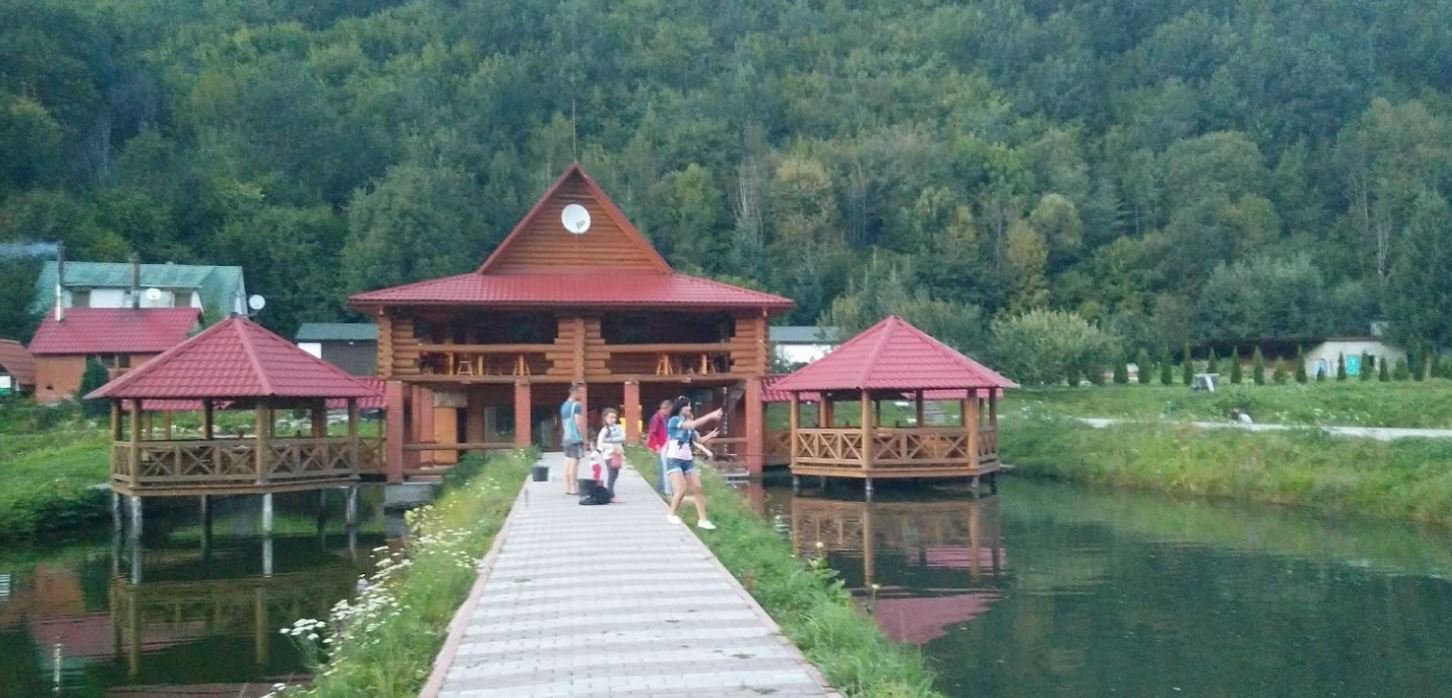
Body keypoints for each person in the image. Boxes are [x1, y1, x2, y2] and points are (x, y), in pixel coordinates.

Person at [663, 396, 722, 529]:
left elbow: (699, 440)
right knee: (681, 490)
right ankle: (671, 514)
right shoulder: (675, 420)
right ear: (681, 407)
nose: (690, 408)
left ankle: (703, 520)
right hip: (674, 460)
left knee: (698, 488)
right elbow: (692, 424)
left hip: (688, 461)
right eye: (688, 406)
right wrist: (710, 415)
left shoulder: (689, 426)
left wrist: (711, 435)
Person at [560, 383, 586, 495]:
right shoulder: (577, 406)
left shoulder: (564, 405)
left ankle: (567, 487)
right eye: (580, 392)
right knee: (575, 462)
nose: (582, 395)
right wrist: (583, 437)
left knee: (567, 460)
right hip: (575, 437)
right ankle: (573, 488)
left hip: (566, 436)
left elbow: (563, 422)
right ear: (574, 392)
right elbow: (578, 423)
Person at [596, 407, 626, 500]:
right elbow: (600, 443)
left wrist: (609, 440)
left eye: (614, 417)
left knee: (615, 474)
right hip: (609, 455)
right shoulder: (604, 430)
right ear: (605, 418)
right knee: (612, 474)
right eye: (610, 417)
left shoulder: (619, 427)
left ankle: (610, 493)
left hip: (618, 454)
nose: (612, 419)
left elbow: (623, 438)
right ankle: (610, 494)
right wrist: (613, 446)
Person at [645, 399, 672, 495]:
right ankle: (661, 489)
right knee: (662, 467)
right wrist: (657, 446)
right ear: (665, 409)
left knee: (663, 467)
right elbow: (653, 433)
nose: (669, 412)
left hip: (665, 444)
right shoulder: (657, 418)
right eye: (669, 410)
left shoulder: (666, 418)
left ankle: (661, 487)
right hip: (659, 445)